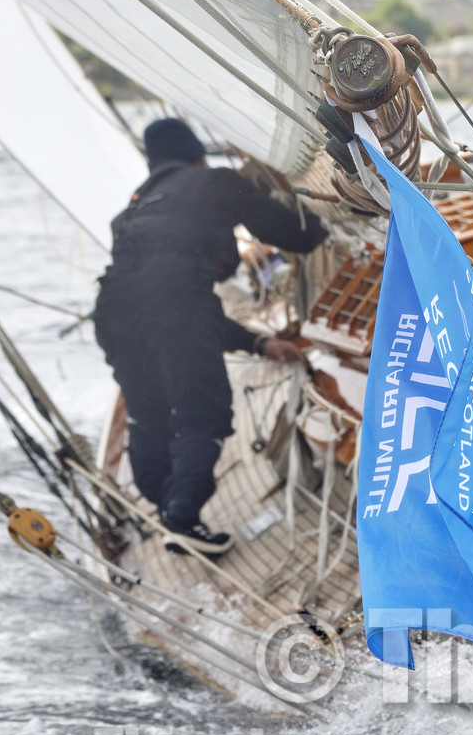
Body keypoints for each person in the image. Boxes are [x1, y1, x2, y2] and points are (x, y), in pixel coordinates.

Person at [93, 119, 328, 555]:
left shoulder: (130, 212)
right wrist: (324, 214)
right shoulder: (215, 182)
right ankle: (182, 516)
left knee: (147, 413)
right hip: (175, 305)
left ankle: (166, 507)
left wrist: (258, 343)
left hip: (113, 311)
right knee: (203, 413)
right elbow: (297, 236)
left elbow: (161, 303)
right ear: (198, 156)